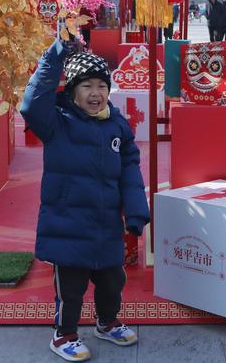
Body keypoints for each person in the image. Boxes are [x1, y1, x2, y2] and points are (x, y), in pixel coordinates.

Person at [21, 39, 150, 362]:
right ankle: (64, 335)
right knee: (71, 288)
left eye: (101, 86)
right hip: (67, 221)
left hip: (106, 222)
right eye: (87, 86)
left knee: (112, 280)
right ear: (72, 91)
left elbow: (130, 170)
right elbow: (31, 104)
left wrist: (136, 212)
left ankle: (107, 323)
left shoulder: (118, 125)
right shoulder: (57, 122)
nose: (95, 93)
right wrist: (55, 55)